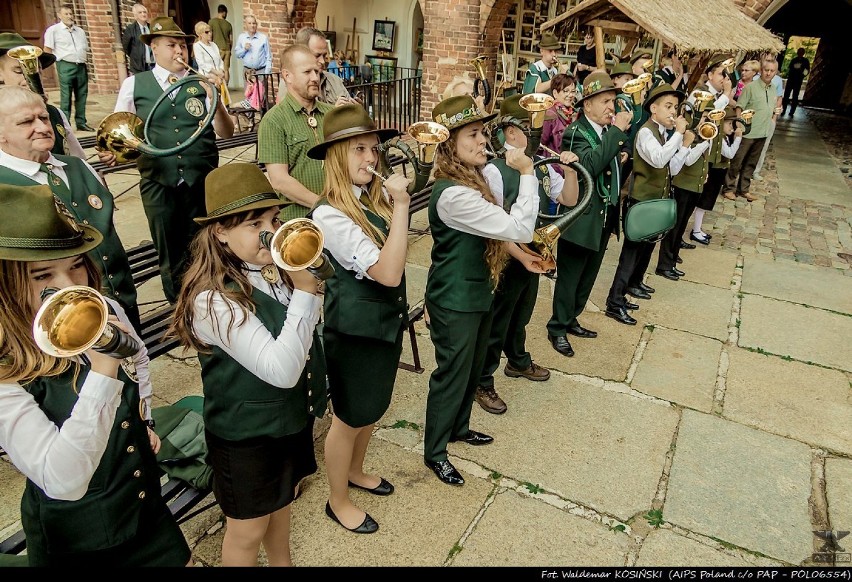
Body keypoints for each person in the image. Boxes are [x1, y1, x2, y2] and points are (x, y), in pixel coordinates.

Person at [0, 183, 192, 567]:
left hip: (142, 505)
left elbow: (137, 356)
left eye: (76, 266)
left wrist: (145, 417)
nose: (71, 287)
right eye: (43, 276)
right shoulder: (7, 369)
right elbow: (63, 480)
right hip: (83, 537)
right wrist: (103, 369)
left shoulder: (99, 305)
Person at [169, 163, 326, 566]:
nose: (269, 231)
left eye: (272, 218)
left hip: (286, 421)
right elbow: (281, 369)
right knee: (246, 530)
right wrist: (306, 295)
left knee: (283, 506)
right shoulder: (212, 299)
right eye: (253, 222)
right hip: (246, 437)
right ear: (220, 231)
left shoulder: (270, 269)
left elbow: (302, 333)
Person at [306, 105, 412, 533]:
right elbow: (388, 273)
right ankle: (337, 500)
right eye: (359, 150)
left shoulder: (367, 201)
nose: (371, 158)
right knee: (348, 419)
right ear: (336, 157)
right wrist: (402, 208)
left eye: (373, 149)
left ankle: (355, 471)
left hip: (382, 325)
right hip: (355, 332)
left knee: (371, 410)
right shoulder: (329, 214)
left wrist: (389, 207)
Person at [424, 95, 539, 486]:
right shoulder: (453, 194)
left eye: (482, 133)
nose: (483, 142)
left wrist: (522, 258)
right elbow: (518, 227)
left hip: (476, 291)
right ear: (448, 145)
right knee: (452, 375)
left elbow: (496, 231)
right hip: (454, 298)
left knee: (472, 370)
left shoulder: (474, 178)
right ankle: (435, 452)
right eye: (472, 135)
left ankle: (458, 428)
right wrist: (527, 174)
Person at [110, 16, 234, 304]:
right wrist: (114, 150)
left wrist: (215, 99)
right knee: (170, 250)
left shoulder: (199, 82)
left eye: (183, 45)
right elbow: (119, 128)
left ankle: (211, 301)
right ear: (154, 48)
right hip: (158, 181)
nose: (179, 51)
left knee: (206, 244)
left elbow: (226, 132)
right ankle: (179, 306)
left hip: (200, 179)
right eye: (171, 45)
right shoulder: (134, 85)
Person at [0, 86, 140, 330]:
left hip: (120, 301)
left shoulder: (77, 166)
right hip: (58, 321)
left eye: (44, 117)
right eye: (26, 122)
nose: (43, 127)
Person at [475, 94, 580, 415]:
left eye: (541, 127)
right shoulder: (494, 171)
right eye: (531, 128)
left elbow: (569, 199)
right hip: (506, 255)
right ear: (509, 133)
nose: (539, 134)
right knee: (497, 319)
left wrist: (570, 170)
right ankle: (483, 380)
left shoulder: (538, 166)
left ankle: (518, 361)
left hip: (533, 249)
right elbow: (492, 221)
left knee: (522, 312)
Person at [546, 71, 632, 356]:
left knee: (588, 276)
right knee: (570, 277)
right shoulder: (575, 132)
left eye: (613, 101)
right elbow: (589, 167)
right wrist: (617, 136)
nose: (612, 107)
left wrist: (620, 154)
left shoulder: (607, 133)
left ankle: (572, 318)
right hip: (580, 218)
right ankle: (557, 327)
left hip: (603, 216)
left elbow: (608, 160)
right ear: (588, 105)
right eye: (606, 101)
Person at [606, 84, 688, 319]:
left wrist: (681, 145)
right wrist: (680, 135)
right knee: (630, 254)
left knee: (647, 248)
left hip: (655, 201)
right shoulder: (645, 132)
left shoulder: (663, 133)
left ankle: (634, 284)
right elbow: (659, 159)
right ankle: (615, 301)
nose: (673, 111)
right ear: (653, 108)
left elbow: (671, 167)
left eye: (675, 107)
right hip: (641, 201)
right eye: (668, 106)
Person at [258, 44, 332, 221]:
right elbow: (279, 181)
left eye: (317, 71)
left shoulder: (331, 114)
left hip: (338, 212)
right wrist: (324, 206)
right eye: (307, 72)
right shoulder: (273, 120)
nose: (315, 77)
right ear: (287, 76)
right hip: (299, 219)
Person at [0, 32, 85, 159]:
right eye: (19, 71)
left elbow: (77, 159)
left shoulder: (54, 113)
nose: (28, 80)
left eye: (36, 72)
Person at [684, 53, 735, 243]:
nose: (725, 79)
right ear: (710, 74)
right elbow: (711, 113)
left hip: (710, 151)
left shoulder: (719, 95)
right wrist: (727, 94)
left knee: (706, 194)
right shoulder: (700, 92)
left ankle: (696, 229)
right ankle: (681, 232)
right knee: (691, 196)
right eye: (722, 74)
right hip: (696, 151)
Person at [721, 57, 778, 204]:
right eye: (766, 70)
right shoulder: (751, 87)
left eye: (772, 71)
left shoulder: (773, 89)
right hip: (748, 131)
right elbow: (740, 106)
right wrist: (740, 126)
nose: (768, 73)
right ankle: (728, 188)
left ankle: (743, 189)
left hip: (763, 131)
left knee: (751, 163)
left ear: (775, 72)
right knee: (737, 161)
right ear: (761, 71)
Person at [686, 106, 742, 247]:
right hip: (713, 170)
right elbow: (729, 154)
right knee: (704, 201)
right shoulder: (718, 137)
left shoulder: (723, 137)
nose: (732, 128)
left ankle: (698, 229)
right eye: (729, 124)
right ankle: (696, 230)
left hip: (719, 171)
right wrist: (738, 139)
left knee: (707, 202)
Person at [43, 5, 93, 132]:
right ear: (59, 15)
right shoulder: (53, 30)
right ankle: (65, 124)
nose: (70, 16)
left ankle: (81, 121)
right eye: (66, 14)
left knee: (82, 94)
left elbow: (85, 48)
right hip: (65, 64)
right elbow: (48, 49)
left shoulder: (80, 31)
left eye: (71, 14)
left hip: (80, 65)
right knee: (66, 95)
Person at [294, 27, 352, 106]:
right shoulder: (291, 85)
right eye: (317, 55)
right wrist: (334, 113)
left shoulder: (335, 81)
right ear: (301, 53)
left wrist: (357, 110)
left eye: (324, 55)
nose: (323, 61)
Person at [523, 30, 569, 95]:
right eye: (550, 51)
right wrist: (558, 78)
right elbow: (536, 89)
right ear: (541, 51)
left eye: (555, 51)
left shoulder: (554, 71)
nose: (554, 54)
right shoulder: (535, 69)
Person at [234, 15, 271, 85]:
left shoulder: (263, 38)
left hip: (260, 72)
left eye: (254, 23)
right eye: (250, 23)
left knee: (261, 95)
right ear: (246, 25)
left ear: (256, 25)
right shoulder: (241, 37)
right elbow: (237, 54)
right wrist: (244, 49)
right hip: (248, 72)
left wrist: (266, 73)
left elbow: (268, 56)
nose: (252, 25)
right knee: (248, 94)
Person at [122, 2, 154, 75]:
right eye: (140, 12)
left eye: (144, 12)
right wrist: (137, 56)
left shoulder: (152, 28)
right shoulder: (130, 29)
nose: (143, 14)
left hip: (154, 66)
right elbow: (126, 48)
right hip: (139, 67)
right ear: (135, 15)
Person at [208, 4, 233, 84]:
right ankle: (226, 86)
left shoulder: (211, 22)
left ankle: (218, 86)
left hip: (217, 48)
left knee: (216, 68)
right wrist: (230, 49)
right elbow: (231, 40)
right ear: (224, 12)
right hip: (227, 49)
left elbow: (210, 36)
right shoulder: (228, 24)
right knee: (226, 69)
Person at [782, 48, 810, 116]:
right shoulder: (794, 60)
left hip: (798, 80)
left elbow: (807, 70)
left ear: (803, 53)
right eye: (799, 52)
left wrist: (802, 75)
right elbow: (790, 68)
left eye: (801, 52)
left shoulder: (805, 61)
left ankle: (792, 112)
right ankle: (783, 110)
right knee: (786, 96)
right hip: (791, 79)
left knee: (795, 96)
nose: (799, 53)